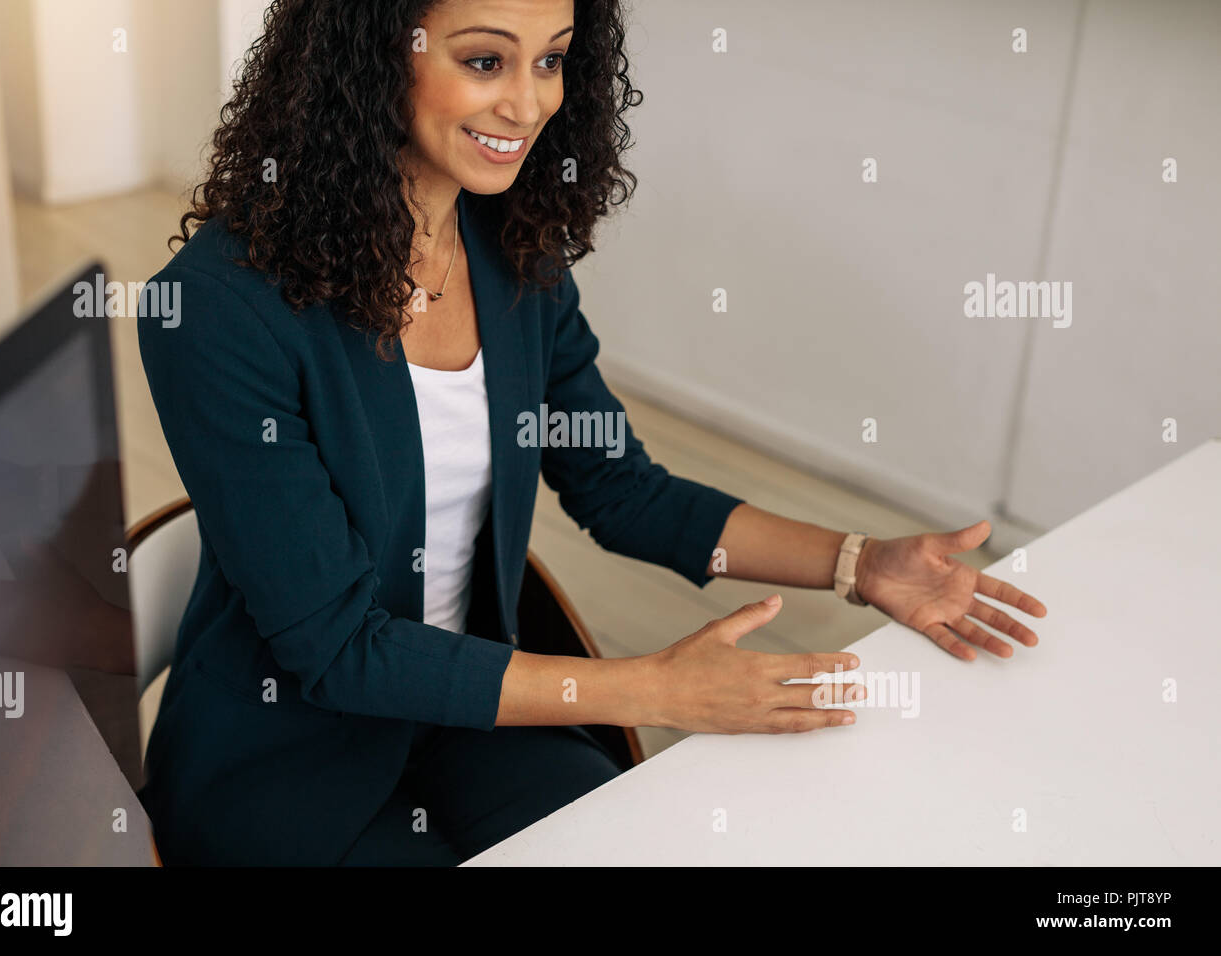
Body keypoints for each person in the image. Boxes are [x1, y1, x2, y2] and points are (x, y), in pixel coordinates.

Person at [135, 0, 1048, 866]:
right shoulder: (215, 309)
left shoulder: (511, 251)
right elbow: (339, 649)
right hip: (288, 765)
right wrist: (657, 688)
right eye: (485, 60)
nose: (528, 103)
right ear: (370, 54)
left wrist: (861, 563)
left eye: (552, 60)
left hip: (473, 712)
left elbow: (620, 489)